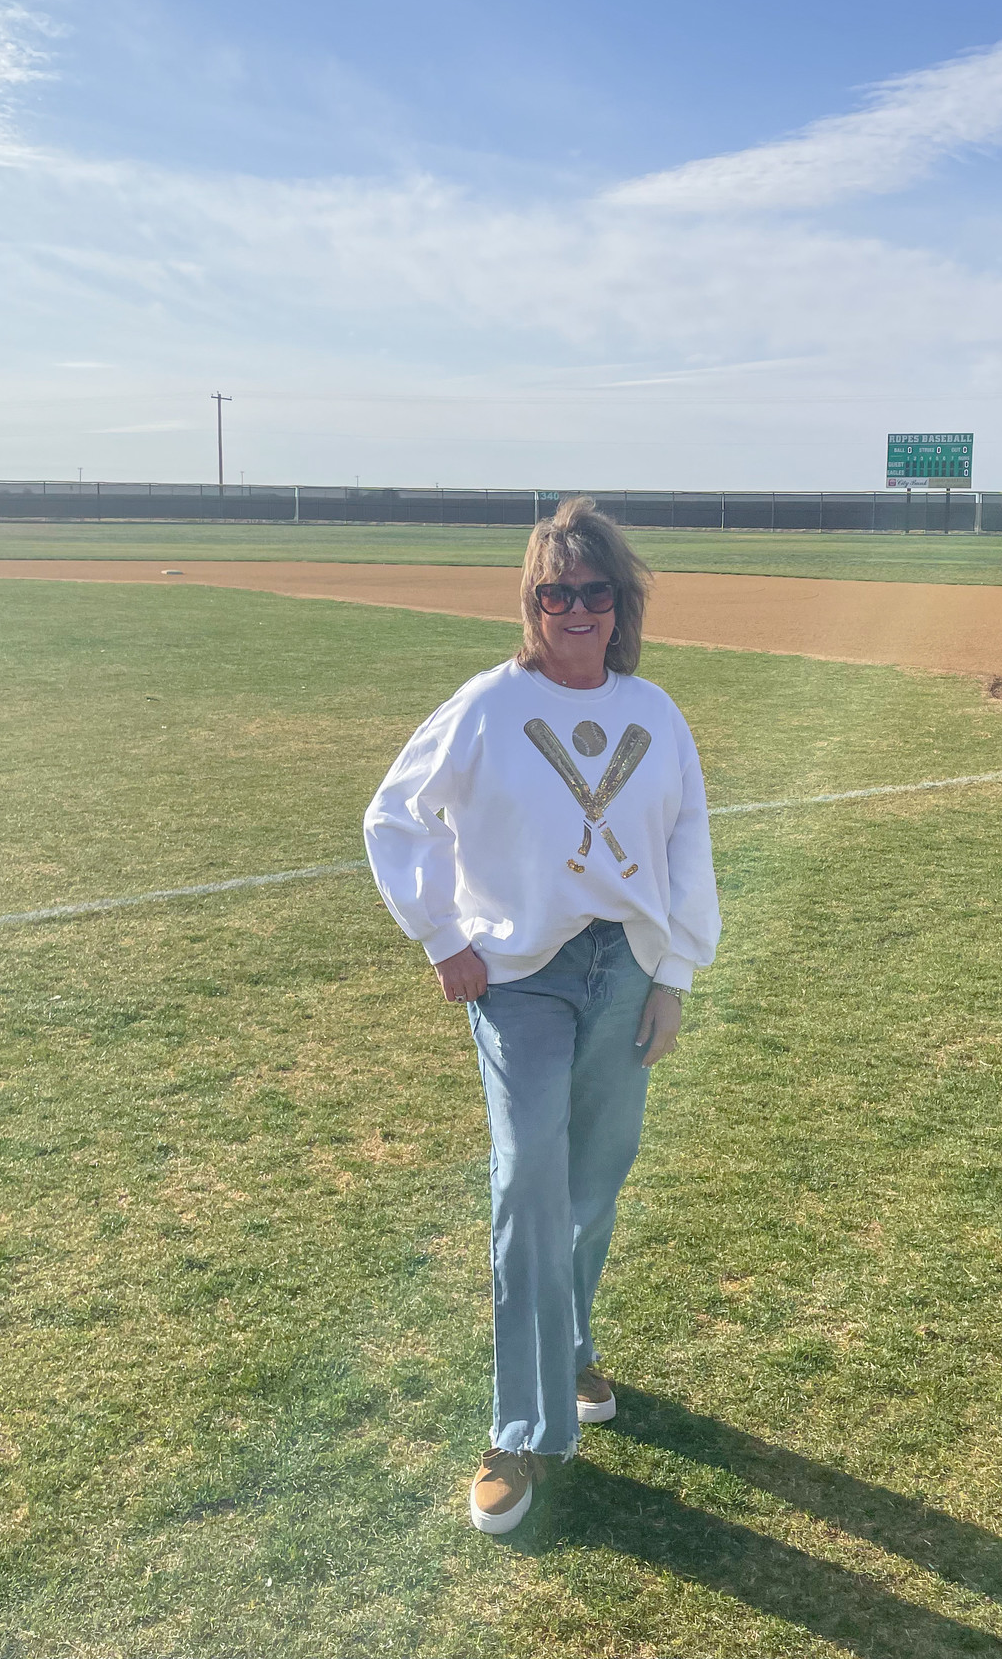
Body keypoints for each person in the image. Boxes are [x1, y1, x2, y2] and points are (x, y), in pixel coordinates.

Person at [363, 496, 720, 1534]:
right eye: (554, 591)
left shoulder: (653, 713)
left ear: (619, 604)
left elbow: (688, 836)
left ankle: (568, 1355)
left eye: (593, 591)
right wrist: (443, 934)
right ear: (530, 601)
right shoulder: (486, 704)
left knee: (594, 1180)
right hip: (522, 977)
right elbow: (394, 815)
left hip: (629, 967)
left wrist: (677, 971)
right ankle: (517, 1429)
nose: (574, 608)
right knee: (529, 1178)